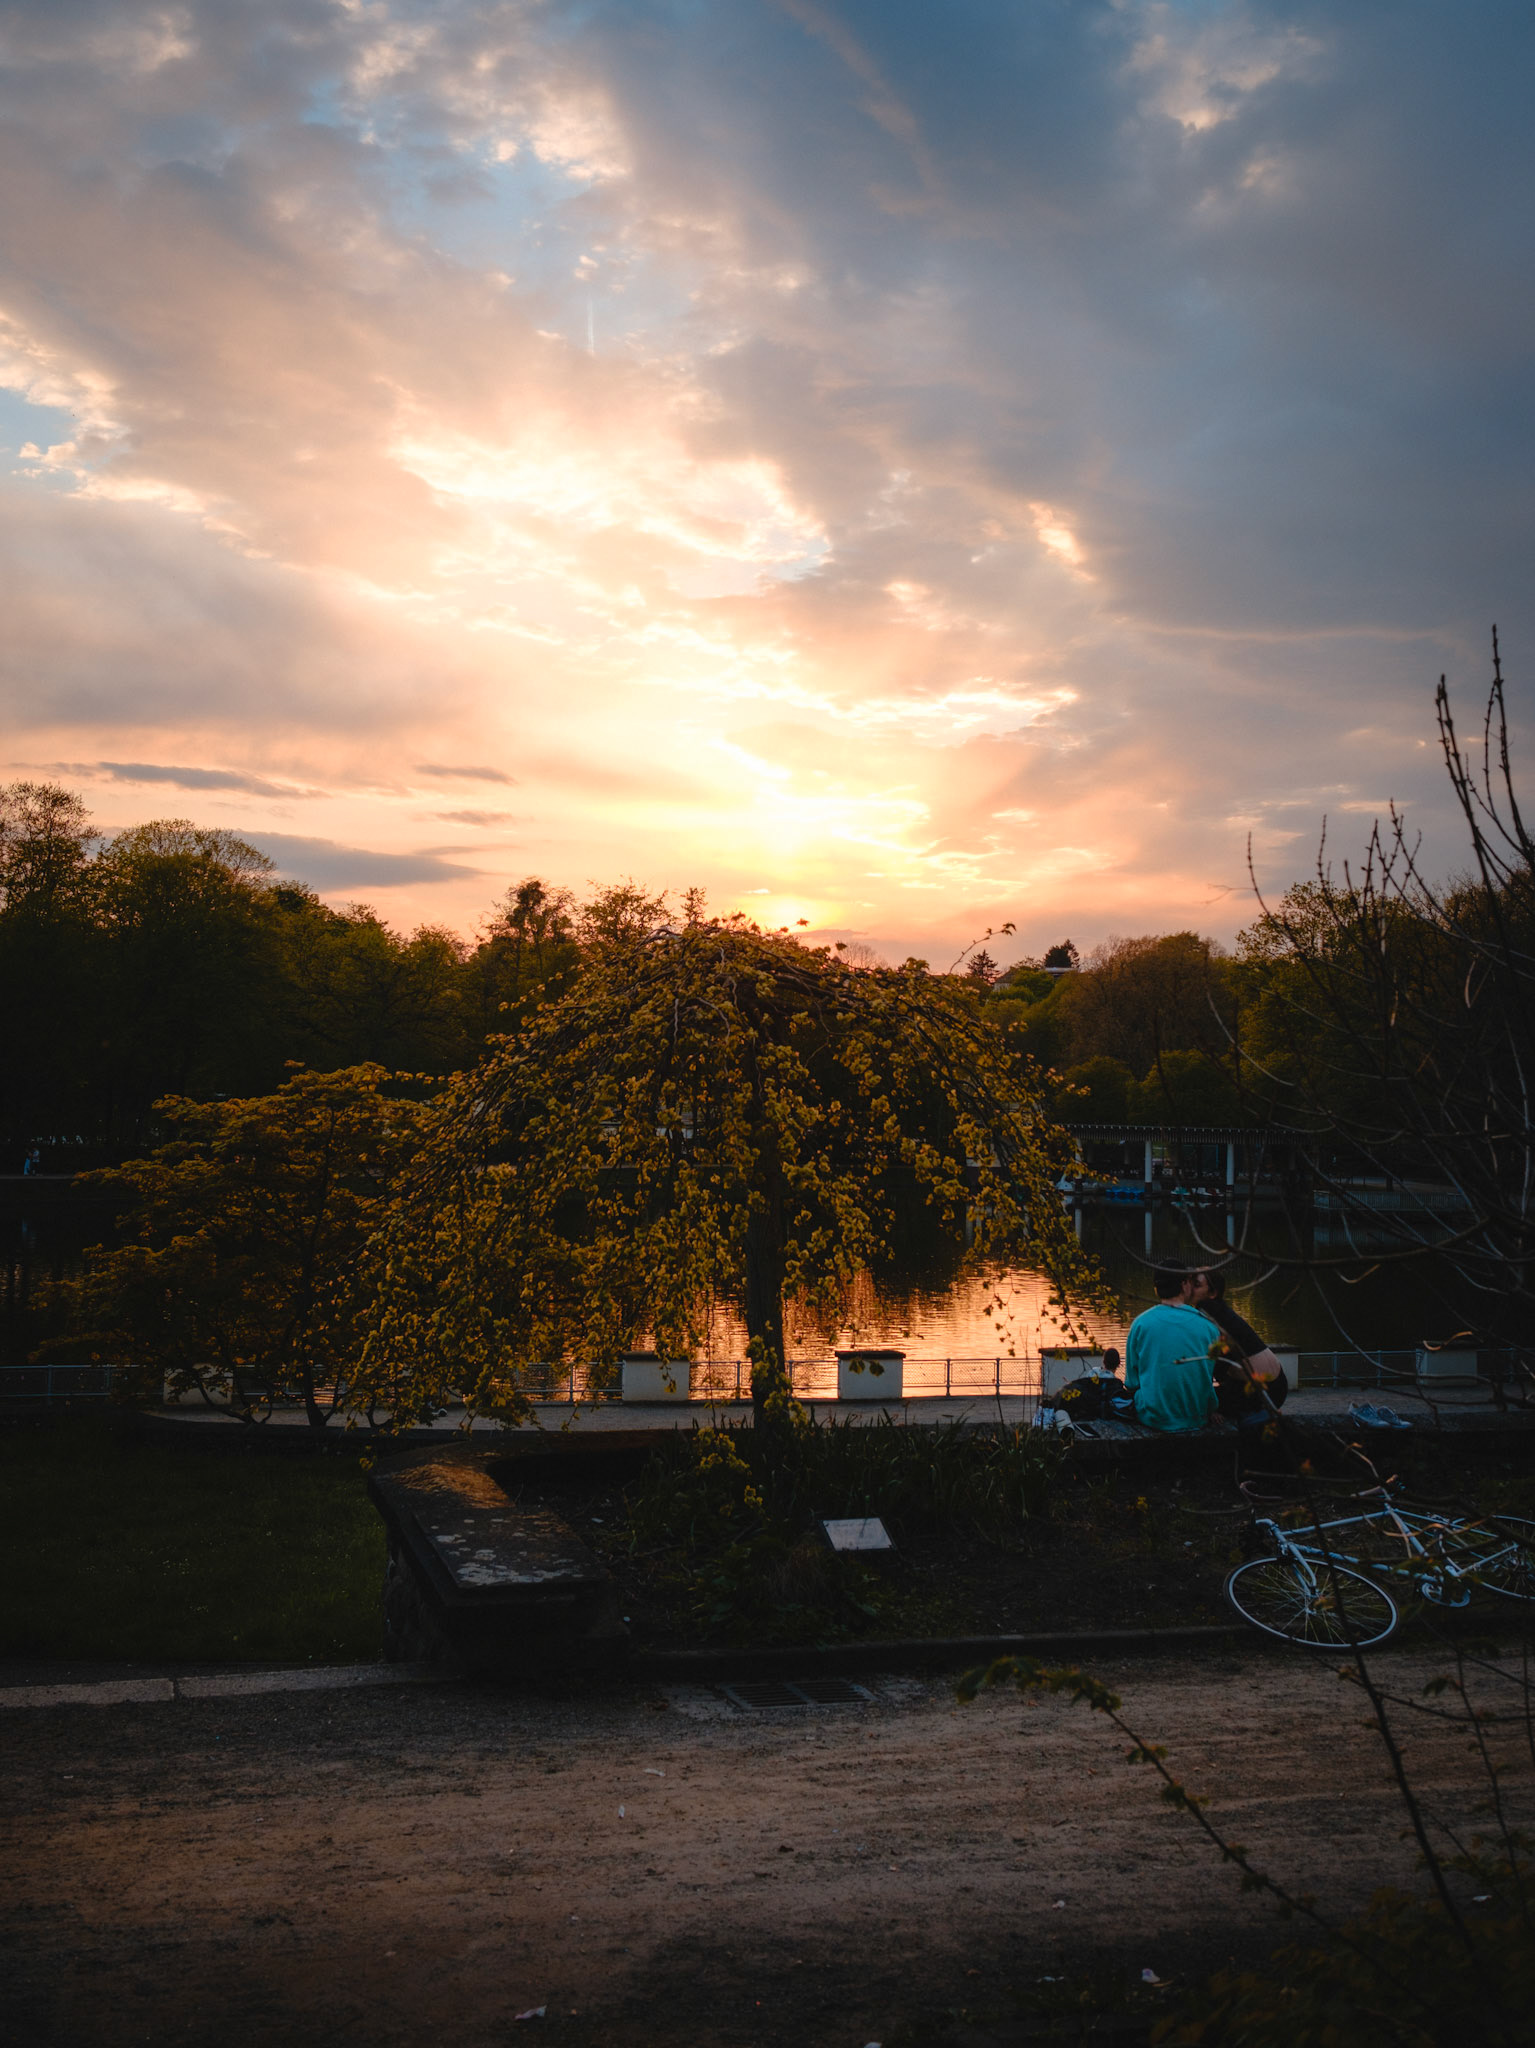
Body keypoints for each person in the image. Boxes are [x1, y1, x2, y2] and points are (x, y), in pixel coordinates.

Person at [1123, 1269, 1219, 1432]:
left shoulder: (1140, 1324)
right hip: (1198, 1415)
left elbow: (1131, 1383)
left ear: (1156, 1289)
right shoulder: (1209, 1326)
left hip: (1154, 1418)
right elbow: (1208, 1373)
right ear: (1184, 1285)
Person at [1191, 1270, 1288, 1424]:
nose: (1190, 1288)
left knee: (1193, 1398)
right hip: (1277, 1385)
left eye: (1196, 1285)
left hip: (1261, 1391)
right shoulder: (1222, 1312)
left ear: (1212, 1293)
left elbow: (1218, 1364)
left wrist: (1214, 1407)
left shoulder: (1207, 1310)